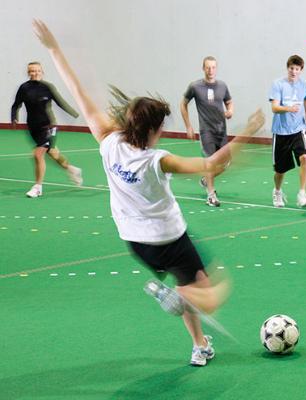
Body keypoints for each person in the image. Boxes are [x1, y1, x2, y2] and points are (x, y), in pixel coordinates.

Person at [32, 19, 265, 366]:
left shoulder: (108, 142)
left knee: (185, 289)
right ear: (154, 130)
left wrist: (53, 49)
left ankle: (200, 345)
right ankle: (181, 294)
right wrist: (247, 131)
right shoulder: (158, 160)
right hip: (170, 238)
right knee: (213, 294)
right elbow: (211, 164)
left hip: (136, 243)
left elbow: (77, 90)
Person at [11, 61, 83, 198]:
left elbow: (60, 102)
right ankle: (72, 169)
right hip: (33, 128)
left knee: (38, 154)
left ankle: (37, 187)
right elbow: (16, 105)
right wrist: (14, 117)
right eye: (32, 71)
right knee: (53, 154)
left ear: (42, 72)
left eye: (38, 70)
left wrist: (74, 113)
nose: (35, 73)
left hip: (49, 126)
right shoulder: (24, 88)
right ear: (28, 73)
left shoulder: (47, 87)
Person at [180, 56, 234, 207]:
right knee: (210, 162)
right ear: (203, 68)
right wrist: (188, 126)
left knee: (226, 163)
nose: (211, 70)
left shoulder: (222, 86)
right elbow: (183, 104)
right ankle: (211, 195)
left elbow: (229, 101)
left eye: (213, 67)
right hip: (206, 131)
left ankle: (205, 180)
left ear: (216, 68)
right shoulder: (195, 86)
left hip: (221, 131)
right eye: (208, 67)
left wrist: (230, 111)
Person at [269, 54, 306, 208]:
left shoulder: (304, 84)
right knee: (280, 171)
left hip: (298, 130)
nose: (294, 71)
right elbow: (274, 107)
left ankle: (302, 193)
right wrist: (289, 108)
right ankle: (278, 191)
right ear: (287, 68)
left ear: (301, 70)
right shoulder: (278, 84)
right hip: (281, 132)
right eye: (291, 68)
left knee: (305, 158)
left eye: (297, 69)